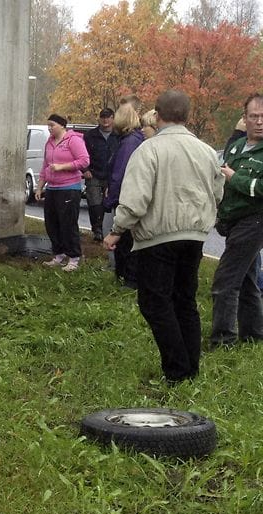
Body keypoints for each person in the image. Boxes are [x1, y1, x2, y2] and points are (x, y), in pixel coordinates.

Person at [103, 89, 224, 383]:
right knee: (185, 301)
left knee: (154, 303)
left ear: (157, 115)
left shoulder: (149, 150)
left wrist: (117, 230)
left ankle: (177, 370)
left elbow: (135, 200)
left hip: (158, 238)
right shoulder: (207, 151)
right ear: (188, 115)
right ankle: (190, 368)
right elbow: (218, 192)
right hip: (194, 236)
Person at [209, 93, 263, 348]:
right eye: (254, 116)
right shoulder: (236, 146)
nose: (259, 122)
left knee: (225, 281)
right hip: (233, 222)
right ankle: (253, 334)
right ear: (245, 118)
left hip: (254, 221)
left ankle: (223, 340)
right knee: (248, 279)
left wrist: (235, 178)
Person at [35, 114, 90, 271]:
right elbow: (45, 165)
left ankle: (74, 257)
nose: (49, 128)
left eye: (52, 125)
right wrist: (39, 187)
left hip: (69, 187)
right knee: (52, 223)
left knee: (68, 223)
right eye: (48, 125)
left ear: (62, 125)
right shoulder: (49, 142)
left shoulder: (73, 140)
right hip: (52, 187)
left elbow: (84, 160)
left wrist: (62, 166)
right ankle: (58, 254)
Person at [103, 103, 145, 289]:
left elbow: (120, 173)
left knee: (126, 239)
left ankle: (128, 279)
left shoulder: (128, 143)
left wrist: (110, 199)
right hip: (128, 195)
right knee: (127, 240)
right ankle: (125, 276)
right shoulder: (133, 140)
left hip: (125, 197)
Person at [83, 108, 119, 242]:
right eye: (103, 117)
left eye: (108, 117)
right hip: (94, 173)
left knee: (112, 202)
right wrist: (85, 169)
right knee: (94, 202)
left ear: (113, 118)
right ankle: (97, 230)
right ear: (99, 118)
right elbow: (83, 154)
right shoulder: (90, 135)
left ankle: (112, 230)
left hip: (113, 175)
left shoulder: (118, 135)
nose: (105, 120)